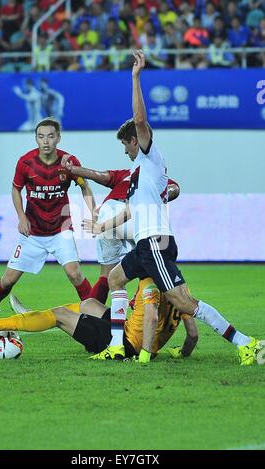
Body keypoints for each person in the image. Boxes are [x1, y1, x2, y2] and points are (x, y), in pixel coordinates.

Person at [95, 50, 261, 366]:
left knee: (184, 302)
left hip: (156, 243)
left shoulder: (149, 157)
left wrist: (135, 78)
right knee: (115, 279)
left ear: (135, 140)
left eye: (125, 144)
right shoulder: (138, 173)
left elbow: (140, 120)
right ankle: (117, 346)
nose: (126, 150)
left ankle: (245, 343)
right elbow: (145, 203)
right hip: (146, 245)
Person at [0, 118, 95, 320]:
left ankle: (96, 316)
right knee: (8, 279)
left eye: (50, 136)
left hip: (61, 228)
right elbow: (16, 189)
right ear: (36, 139)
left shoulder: (69, 162)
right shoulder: (25, 162)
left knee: (74, 273)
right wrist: (21, 217)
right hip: (32, 232)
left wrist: (95, 213)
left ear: (58, 137)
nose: (45, 141)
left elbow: (84, 186)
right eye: (41, 137)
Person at [0, 277, 199, 362]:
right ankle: (30, 315)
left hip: (126, 344)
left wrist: (145, 356)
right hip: (131, 331)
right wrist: (182, 353)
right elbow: (193, 335)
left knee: (60, 315)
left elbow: (151, 316)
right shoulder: (182, 288)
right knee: (89, 304)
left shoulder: (149, 283)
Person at [62, 158, 180, 304]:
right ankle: (139, 299)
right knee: (153, 256)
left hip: (107, 212)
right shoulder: (159, 180)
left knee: (105, 274)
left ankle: (92, 314)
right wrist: (161, 195)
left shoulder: (127, 174)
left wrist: (74, 169)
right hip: (130, 215)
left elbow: (99, 175)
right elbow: (174, 189)